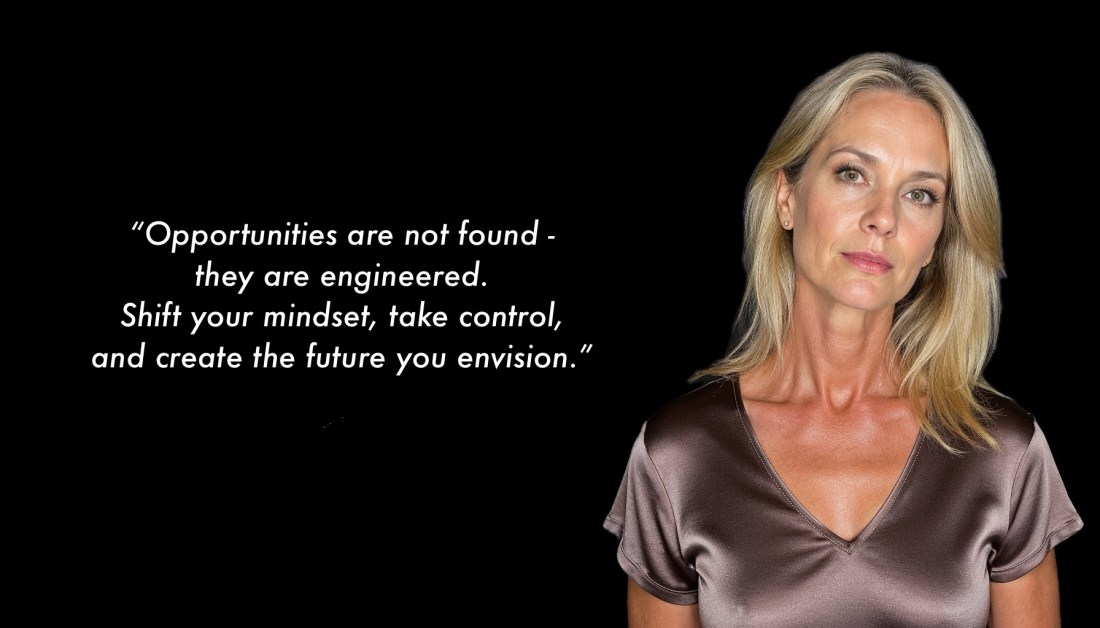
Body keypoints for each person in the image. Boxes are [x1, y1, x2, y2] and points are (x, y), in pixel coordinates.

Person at [603, 52, 1083, 627]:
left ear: (935, 242)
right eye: (853, 174)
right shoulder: (678, 456)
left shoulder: (1003, 452)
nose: (883, 218)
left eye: (920, 194)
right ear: (787, 198)